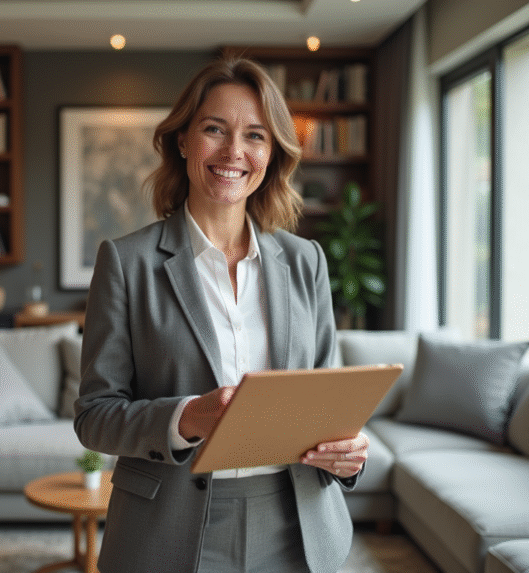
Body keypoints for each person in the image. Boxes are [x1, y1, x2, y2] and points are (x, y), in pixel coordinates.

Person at [74, 57, 369, 573]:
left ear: (272, 152)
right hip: (168, 528)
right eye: (215, 129)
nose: (234, 152)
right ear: (183, 140)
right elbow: (94, 416)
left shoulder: (307, 262)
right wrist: (187, 417)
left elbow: (330, 404)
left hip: (297, 524)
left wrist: (346, 452)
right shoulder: (126, 262)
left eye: (255, 135)